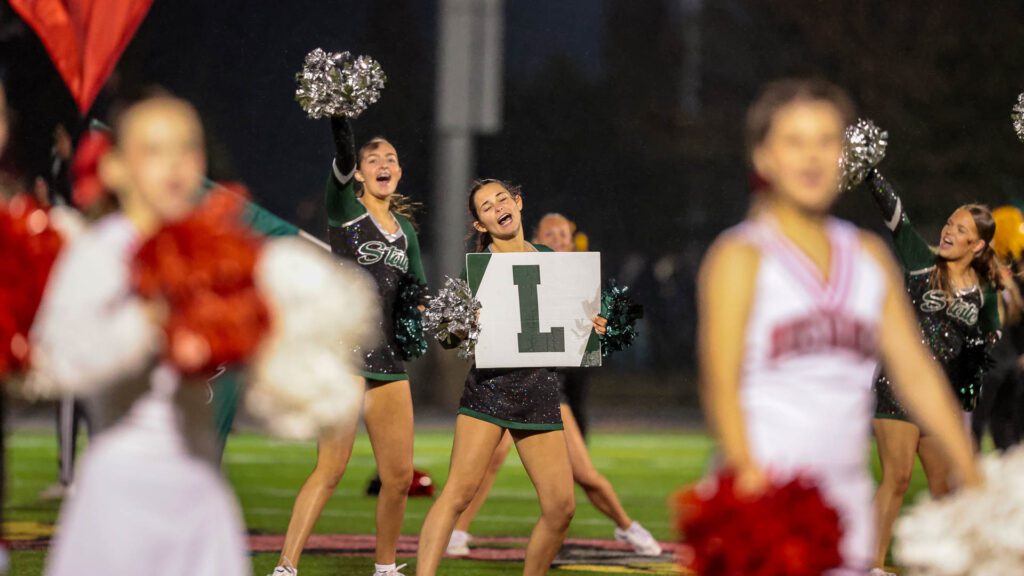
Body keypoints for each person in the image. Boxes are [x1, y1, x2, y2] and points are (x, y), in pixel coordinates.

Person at [697, 78, 981, 575]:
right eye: (794, 141)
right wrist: (748, 482)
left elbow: (915, 372)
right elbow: (720, 382)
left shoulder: (868, 256)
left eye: (827, 141)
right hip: (761, 498)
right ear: (763, 157)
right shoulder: (740, 256)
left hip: (845, 506)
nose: (812, 156)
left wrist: (973, 473)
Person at [32, 94, 249, 576]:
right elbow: (59, 360)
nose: (173, 164)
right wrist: (151, 321)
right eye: (152, 150)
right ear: (113, 168)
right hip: (120, 496)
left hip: (199, 493)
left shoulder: (215, 251)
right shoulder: (98, 252)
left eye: (187, 148)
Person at [416, 180, 609, 576]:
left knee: (561, 508)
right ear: (481, 224)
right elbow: (448, 337)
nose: (497, 206)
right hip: (489, 391)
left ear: (518, 203)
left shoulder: (551, 260)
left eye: (502, 198)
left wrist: (596, 325)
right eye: (486, 206)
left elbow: (572, 331)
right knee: (457, 494)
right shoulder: (478, 270)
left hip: (539, 392)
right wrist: (462, 324)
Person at [445, 213, 660, 558]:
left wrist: (608, 326)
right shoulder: (520, 267)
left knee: (583, 473)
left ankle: (625, 525)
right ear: (538, 238)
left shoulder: (579, 277)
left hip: (550, 388)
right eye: (551, 233)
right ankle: (458, 530)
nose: (559, 239)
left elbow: (605, 329)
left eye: (564, 234)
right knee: (491, 460)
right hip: (508, 382)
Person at [272, 116, 425, 576]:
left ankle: (384, 567)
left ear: (398, 172)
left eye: (391, 159)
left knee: (398, 477)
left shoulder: (406, 232)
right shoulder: (345, 209)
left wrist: (433, 318)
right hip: (343, 355)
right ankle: (286, 566)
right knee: (331, 468)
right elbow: (341, 156)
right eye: (373, 159)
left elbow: (416, 292)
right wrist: (341, 118)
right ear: (358, 173)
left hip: (388, 361)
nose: (384, 164)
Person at [864, 168, 1002, 574]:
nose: (948, 232)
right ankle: (870, 565)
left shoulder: (985, 291)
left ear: (977, 245)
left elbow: (986, 343)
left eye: (959, 230)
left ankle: (949, 562)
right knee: (899, 477)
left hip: (937, 401)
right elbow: (895, 214)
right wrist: (871, 172)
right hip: (898, 387)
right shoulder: (922, 262)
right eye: (948, 224)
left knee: (946, 489)